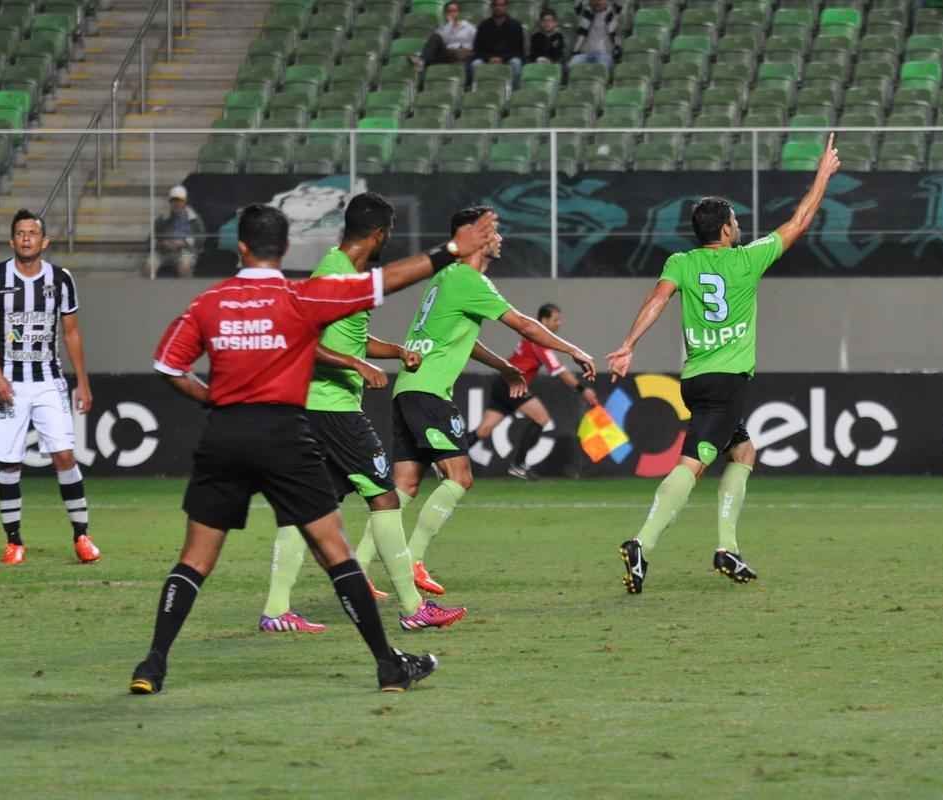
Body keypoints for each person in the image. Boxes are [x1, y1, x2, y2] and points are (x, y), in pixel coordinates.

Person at [129, 204, 496, 696]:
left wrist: (212, 399)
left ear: (240, 247)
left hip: (225, 435)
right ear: (283, 250)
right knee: (337, 550)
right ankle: (390, 662)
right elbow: (382, 283)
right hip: (285, 433)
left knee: (195, 559)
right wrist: (450, 251)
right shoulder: (300, 297)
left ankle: (152, 664)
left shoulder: (207, 303)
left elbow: (167, 365)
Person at [609, 136, 842, 594]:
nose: (739, 225)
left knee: (744, 452)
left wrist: (629, 343)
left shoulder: (682, 261)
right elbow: (800, 220)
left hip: (694, 379)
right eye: (736, 221)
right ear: (728, 230)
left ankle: (727, 548)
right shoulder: (747, 260)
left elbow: (658, 299)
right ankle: (642, 542)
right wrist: (823, 176)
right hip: (726, 382)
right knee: (694, 463)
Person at [258, 193, 468, 635]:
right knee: (385, 496)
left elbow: (351, 336)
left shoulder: (347, 273)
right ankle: (413, 608)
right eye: (389, 232)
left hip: (322, 408)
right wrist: (357, 365)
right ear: (379, 234)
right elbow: (303, 342)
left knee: (311, 508)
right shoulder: (332, 276)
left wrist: (392, 352)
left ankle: (276, 609)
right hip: (331, 410)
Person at [391, 206, 596, 595]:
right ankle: (414, 559)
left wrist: (503, 366)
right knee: (461, 477)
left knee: (404, 486)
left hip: (408, 388)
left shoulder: (444, 278)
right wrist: (575, 350)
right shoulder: (469, 279)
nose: (500, 236)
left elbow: (462, 338)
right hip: (430, 391)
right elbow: (524, 324)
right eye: (494, 229)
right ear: (475, 235)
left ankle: (366, 566)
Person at [0, 209, 100, 566]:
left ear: (44, 241)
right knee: (10, 462)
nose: (27, 238)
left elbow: (71, 332)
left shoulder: (61, 279)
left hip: (48, 380)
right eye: (21, 233)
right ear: (12, 240)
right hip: (9, 381)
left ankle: (82, 535)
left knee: (64, 455)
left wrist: (83, 382)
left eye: (33, 233)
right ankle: (14, 541)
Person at [474, 303, 598, 479]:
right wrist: (582, 389)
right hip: (512, 383)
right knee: (542, 418)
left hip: (502, 381)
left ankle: (443, 456)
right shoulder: (539, 342)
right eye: (556, 319)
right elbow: (560, 371)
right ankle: (518, 465)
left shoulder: (533, 340)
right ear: (544, 320)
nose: (559, 323)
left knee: (484, 430)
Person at [148, 185, 205, 278]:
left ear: (185, 201)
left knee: (184, 267)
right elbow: (151, 238)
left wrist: (184, 242)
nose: (177, 203)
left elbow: (202, 238)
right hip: (163, 251)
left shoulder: (194, 218)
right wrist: (161, 243)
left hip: (185, 251)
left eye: (180, 200)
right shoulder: (162, 218)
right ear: (170, 202)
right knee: (148, 267)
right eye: (174, 200)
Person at [471, 0, 526, 88]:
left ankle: (514, 92)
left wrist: (502, 58)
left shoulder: (516, 25)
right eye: (496, 5)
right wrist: (489, 58)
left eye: (501, 5)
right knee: (475, 64)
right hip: (487, 58)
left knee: (516, 63)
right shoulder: (484, 25)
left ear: (506, 7)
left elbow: (519, 51)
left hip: (508, 58)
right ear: (492, 7)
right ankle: (478, 91)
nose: (498, 8)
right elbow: (477, 50)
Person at [411, 1, 476, 71]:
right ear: (445, 14)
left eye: (454, 11)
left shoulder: (469, 27)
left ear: (459, 12)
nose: (452, 14)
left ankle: (422, 60)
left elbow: (478, 44)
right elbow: (434, 44)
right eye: (449, 11)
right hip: (447, 54)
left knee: (440, 55)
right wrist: (450, 25)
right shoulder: (444, 28)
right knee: (436, 37)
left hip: (462, 53)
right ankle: (422, 61)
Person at [569, 0, 622, 69]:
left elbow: (620, 5)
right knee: (571, 65)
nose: (597, 3)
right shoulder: (586, 13)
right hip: (585, 54)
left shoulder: (612, 14)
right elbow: (577, 6)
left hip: (604, 54)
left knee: (601, 68)